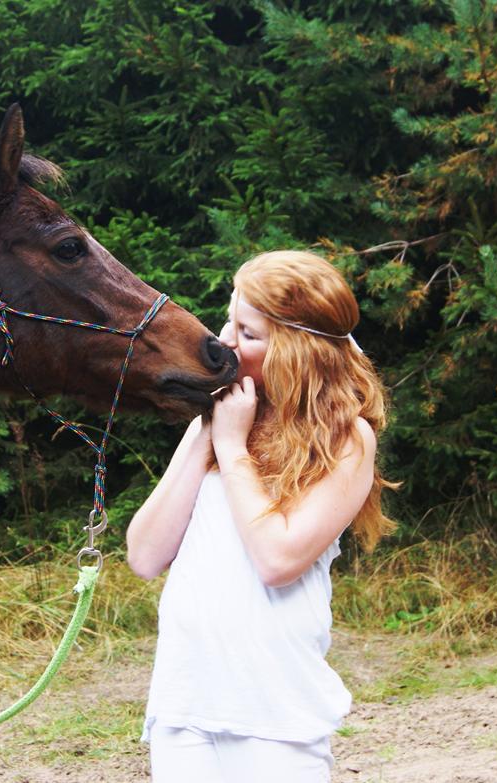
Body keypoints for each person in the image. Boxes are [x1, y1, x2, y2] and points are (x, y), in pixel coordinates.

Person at [126, 250, 397, 783]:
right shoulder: (220, 420)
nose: (225, 339)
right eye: (230, 319)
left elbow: (279, 558)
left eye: (247, 333)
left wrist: (231, 449)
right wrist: (209, 433)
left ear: (297, 352)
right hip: (185, 702)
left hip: (275, 715)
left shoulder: (347, 441)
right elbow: (144, 554)